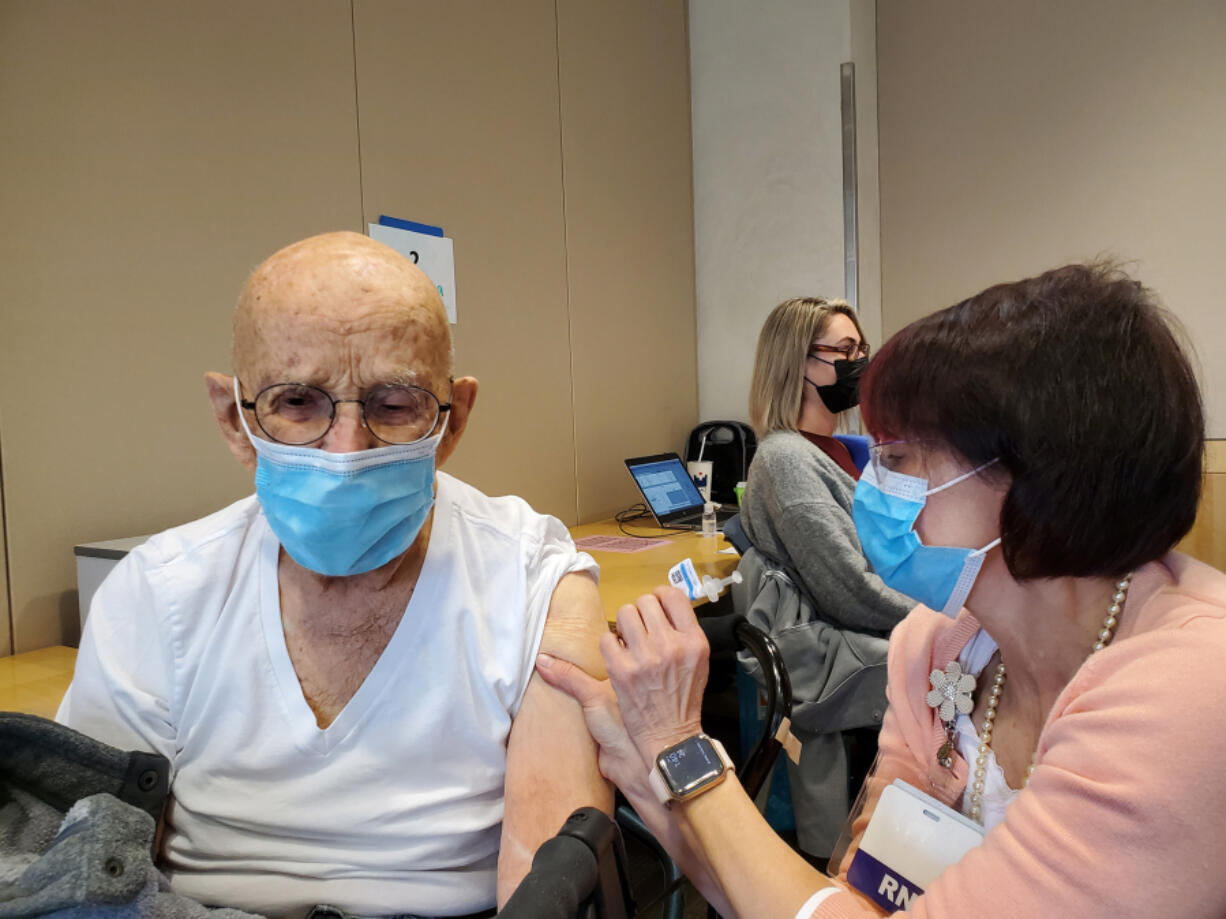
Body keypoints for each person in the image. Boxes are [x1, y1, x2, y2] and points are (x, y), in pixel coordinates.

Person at [539, 262, 1226, 918]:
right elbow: (865, 894)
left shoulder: (1188, 689)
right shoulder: (940, 649)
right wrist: (643, 760)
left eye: (896, 460)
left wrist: (680, 748)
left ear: (1037, 476)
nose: (875, 487)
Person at [57, 231, 611, 918]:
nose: (346, 450)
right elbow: (87, 870)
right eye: (297, 402)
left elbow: (549, 881)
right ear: (236, 419)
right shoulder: (157, 593)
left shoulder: (532, 578)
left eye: (395, 403)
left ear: (453, 419)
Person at [735, 297, 911, 861]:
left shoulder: (837, 450)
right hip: (839, 649)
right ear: (798, 364)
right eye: (845, 351)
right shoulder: (787, 458)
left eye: (861, 348)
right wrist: (943, 623)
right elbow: (850, 590)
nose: (860, 362)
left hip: (860, 632)